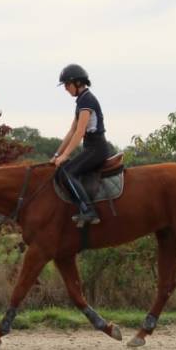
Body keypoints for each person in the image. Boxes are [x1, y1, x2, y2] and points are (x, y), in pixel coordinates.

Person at [50, 63, 114, 227]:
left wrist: (65, 156)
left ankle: (89, 211)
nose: (66, 88)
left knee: (67, 173)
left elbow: (79, 132)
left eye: (67, 84)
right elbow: (71, 131)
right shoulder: (81, 101)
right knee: (62, 170)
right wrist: (57, 154)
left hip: (97, 149)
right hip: (90, 148)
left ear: (77, 83)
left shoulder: (87, 100)